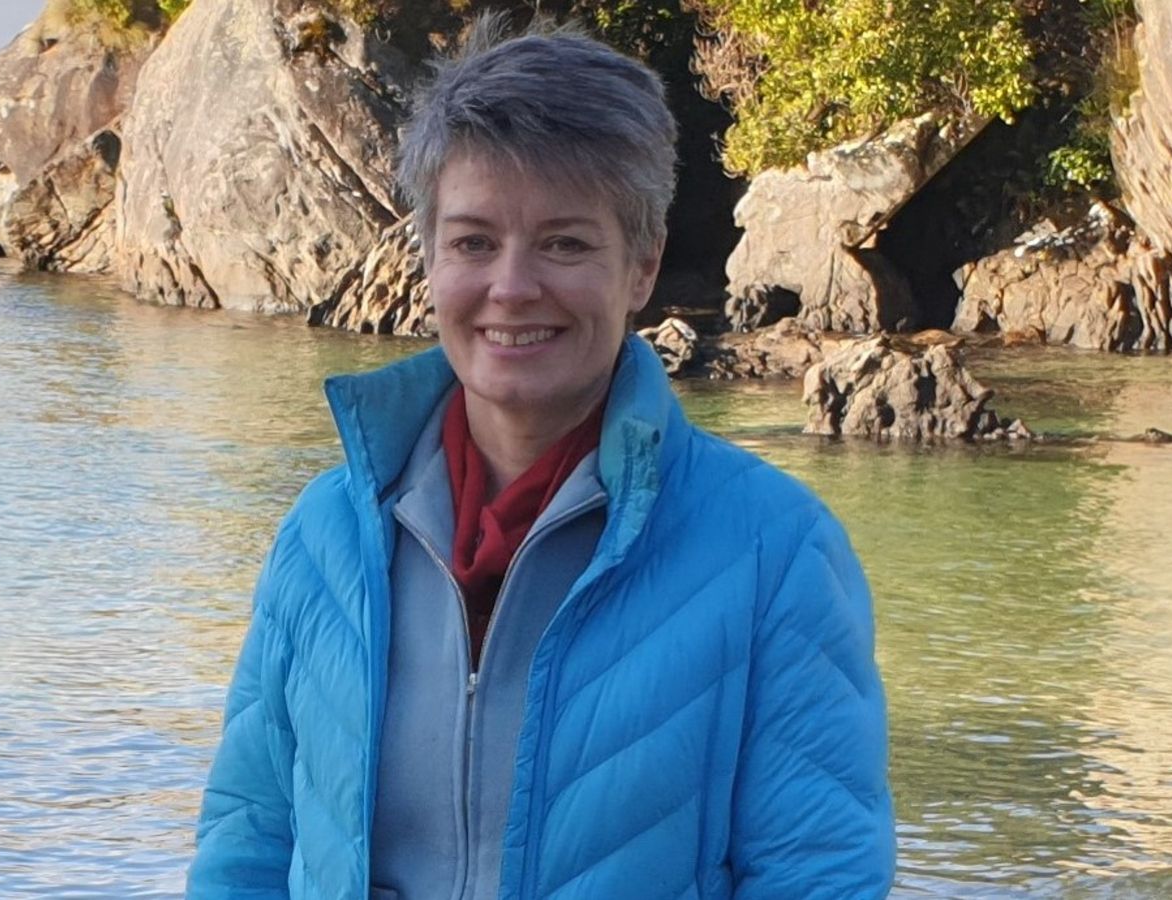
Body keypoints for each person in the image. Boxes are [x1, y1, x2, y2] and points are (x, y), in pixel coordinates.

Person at [188, 14, 893, 900]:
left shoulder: (776, 551)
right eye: (474, 241)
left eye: (565, 242)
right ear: (431, 259)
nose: (511, 287)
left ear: (642, 265)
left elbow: (818, 877)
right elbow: (247, 846)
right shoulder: (325, 537)